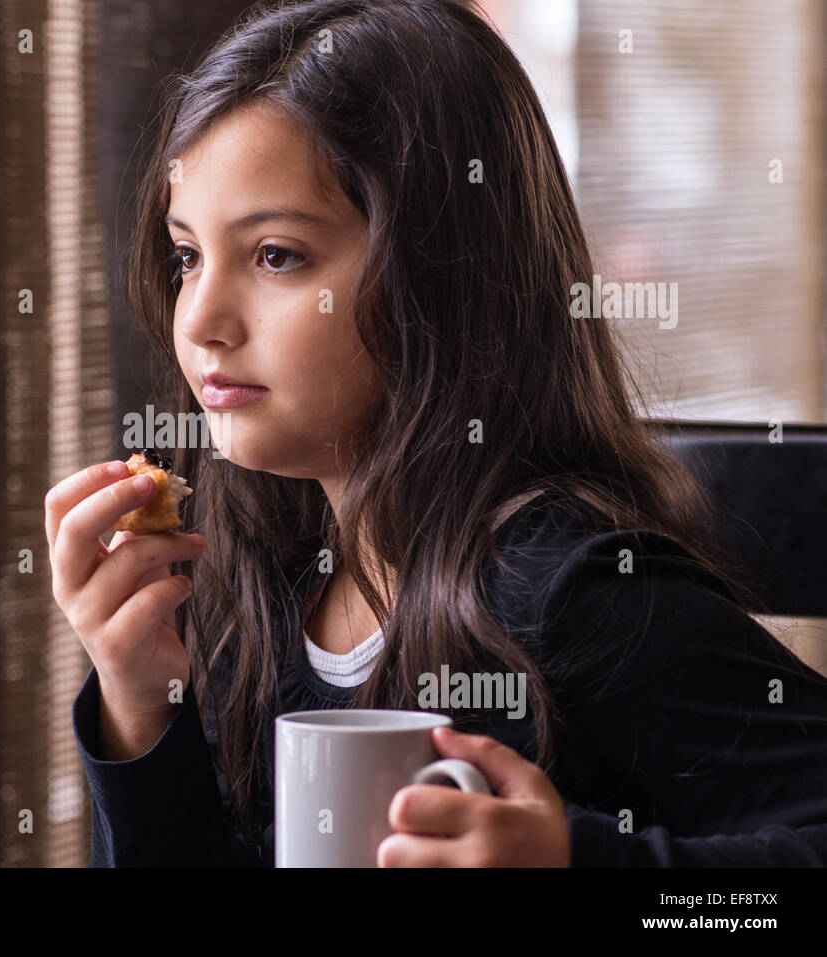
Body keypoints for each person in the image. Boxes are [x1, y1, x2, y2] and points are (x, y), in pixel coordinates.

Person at [44, 0, 827, 866]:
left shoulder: (570, 595)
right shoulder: (246, 585)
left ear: (443, 276)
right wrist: (138, 701)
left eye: (277, 255)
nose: (201, 321)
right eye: (188, 255)